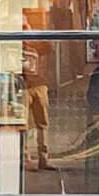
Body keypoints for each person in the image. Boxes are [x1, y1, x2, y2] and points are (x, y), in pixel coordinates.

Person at [21, 26, 55, 171]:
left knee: (42, 123)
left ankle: (43, 157)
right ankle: (25, 158)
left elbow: (49, 46)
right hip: (23, 87)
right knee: (23, 124)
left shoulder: (36, 45)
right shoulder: (15, 44)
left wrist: (33, 33)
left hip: (39, 85)